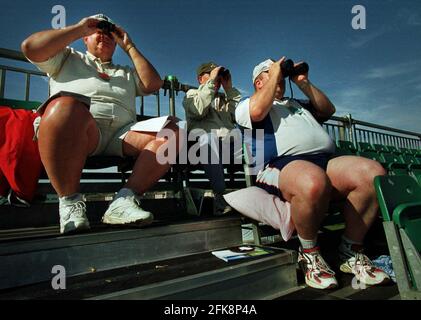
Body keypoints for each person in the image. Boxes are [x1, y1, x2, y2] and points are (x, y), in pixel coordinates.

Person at [235, 57, 389, 289]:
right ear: (259, 82)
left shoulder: (295, 104)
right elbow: (256, 112)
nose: (280, 76)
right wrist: (277, 71)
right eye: (270, 72)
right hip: (279, 165)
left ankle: (350, 249)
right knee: (312, 180)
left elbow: (328, 109)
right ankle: (309, 253)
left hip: (324, 160)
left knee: (372, 173)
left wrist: (303, 82)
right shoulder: (247, 103)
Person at [21, 14, 180, 234]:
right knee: (65, 105)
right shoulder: (67, 57)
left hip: (122, 135)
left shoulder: (125, 72)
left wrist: (129, 46)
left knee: (173, 129)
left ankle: (124, 201)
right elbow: (30, 48)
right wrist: (79, 28)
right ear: (85, 39)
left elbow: (153, 84)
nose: (104, 35)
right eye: (98, 30)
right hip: (80, 130)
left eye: (109, 33)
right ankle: (70, 203)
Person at [183, 62, 242, 215]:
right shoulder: (192, 94)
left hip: (228, 146)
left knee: (256, 140)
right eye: (212, 75)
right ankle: (220, 199)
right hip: (200, 148)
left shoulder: (222, 100)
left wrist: (229, 89)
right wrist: (210, 85)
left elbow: (239, 117)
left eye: (218, 76)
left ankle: (262, 196)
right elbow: (198, 110)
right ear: (200, 79)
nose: (216, 80)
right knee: (209, 140)